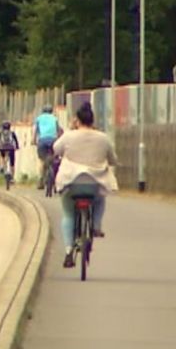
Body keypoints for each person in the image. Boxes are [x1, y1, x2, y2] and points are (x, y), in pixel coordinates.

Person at [53, 102, 118, 268]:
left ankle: (68, 251)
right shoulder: (103, 138)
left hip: (71, 183)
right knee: (100, 199)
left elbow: (56, 149)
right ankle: (96, 226)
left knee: (68, 214)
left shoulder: (69, 136)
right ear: (92, 120)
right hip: (94, 183)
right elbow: (113, 159)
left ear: (77, 120)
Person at [33, 105, 63, 189]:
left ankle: (41, 182)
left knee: (42, 161)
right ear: (51, 111)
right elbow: (59, 130)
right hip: (53, 141)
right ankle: (55, 181)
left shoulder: (39, 118)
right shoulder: (54, 118)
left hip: (42, 141)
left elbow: (35, 130)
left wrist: (33, 140)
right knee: (55, 161)